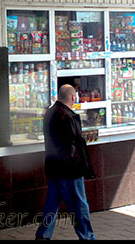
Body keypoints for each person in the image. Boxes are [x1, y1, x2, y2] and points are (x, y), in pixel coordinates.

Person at [35, 84, 96, 240]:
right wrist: (84, 166)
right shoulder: (68, 117)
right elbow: (75, 145)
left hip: (54, 168)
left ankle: (43, 235)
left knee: (51, 206)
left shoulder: (50, 113)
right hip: (70, 170)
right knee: (79, 207)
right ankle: (87, 237)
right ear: (73, 97)